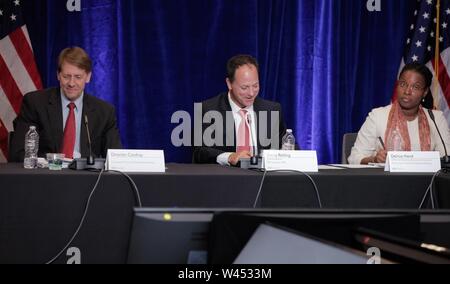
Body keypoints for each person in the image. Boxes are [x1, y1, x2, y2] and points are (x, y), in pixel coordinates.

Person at [9, 46, 122, 162]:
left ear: (88, 77)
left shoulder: (104, 112)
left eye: (78, 77)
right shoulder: (35, 103)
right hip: (48, 174)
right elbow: (19, 152)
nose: (71, 83)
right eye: (66, 76)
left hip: (87, 177)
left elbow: (115, 160)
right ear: (58, 75)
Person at [192, 54, 289, 165]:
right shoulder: (209, 109)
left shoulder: (272, 110)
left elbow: (287, 144)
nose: (251, 93)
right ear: (229, 84)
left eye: (255, 85)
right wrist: (230, 157)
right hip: (225, 179)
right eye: (244, 87)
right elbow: (199, 152)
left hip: (263, 179)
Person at [348, 63, 450, 164]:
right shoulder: (378, 116)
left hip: (427, 180)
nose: (407, 91)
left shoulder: (436, 119)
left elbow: (446, 157)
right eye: (403, 84)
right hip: (386, 179)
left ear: (425, 92)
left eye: (415, 87)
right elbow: (354, 158)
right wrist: (374, 159)